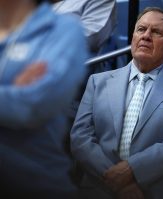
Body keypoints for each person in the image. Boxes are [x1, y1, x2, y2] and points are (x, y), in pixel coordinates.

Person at [71, 7, 163, 199]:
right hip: (99, 189)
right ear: (133, 36)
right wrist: (119, 182)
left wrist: (133, 170)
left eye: (156, 32)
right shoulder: (97, 82)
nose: (146, 36)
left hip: (159, 191)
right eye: (141, 29)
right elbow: (80, 138)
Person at [0, 0, 88, 198]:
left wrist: (21, 99)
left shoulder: (63, 30)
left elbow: (32, 106)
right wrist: (13, 93)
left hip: (34, 184)